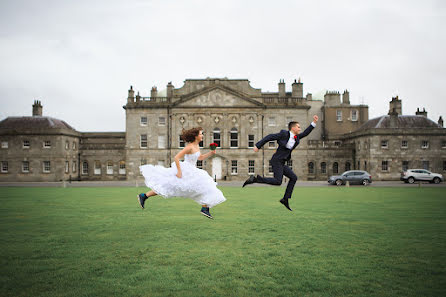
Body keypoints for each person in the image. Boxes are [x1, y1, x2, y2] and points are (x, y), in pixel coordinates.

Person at [137, 127, 226, 219]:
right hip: (185, 169)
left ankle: (205, 208)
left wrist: (211, 153)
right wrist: (179, 171)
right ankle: (144, 196)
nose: (202, 135)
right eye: (200, 134)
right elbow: (176, 157)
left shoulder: (197, 146)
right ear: (196, 136)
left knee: (206, 185)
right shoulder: (189, 147)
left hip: (193, 170)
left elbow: (200, 158)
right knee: (169, 186)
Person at [242, 115, 319, 211]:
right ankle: (255, 179)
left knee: (293, 178)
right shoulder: (283, 134)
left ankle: (285, 199)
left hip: (282, 162)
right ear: (293, 127)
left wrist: (314, 122)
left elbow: (306, 133)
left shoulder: (297, 138)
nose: (300, 129)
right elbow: (269, 137)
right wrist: (258, 146)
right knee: (278, 181)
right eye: (298, 127)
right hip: (276, 160)